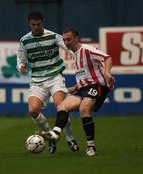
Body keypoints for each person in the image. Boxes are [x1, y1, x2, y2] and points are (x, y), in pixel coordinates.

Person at [41, 28, 115, 156]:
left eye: (68, 39)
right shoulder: (74, 54)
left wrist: (107, 73)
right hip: (83, 89)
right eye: (64, 40)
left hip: (97, 86)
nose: (66, 42)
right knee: (62, 106)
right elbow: (83, 76)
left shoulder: (87, 49)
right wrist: (73, 88)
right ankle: (54, 135)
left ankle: (91, 147)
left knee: (83, 109)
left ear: (76, 38)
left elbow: (108, 58)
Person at [16, 12, 79, 154]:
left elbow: (70, 49)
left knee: (61, 106)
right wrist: (21, 67)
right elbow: (20, 60)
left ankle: (70, 138)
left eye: (39, 24)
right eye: (33, 24)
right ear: (29, 24)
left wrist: (80, 56)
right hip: (37, 80)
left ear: (43, 22)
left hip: (55, 77)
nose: (36, 27)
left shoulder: (53, 36)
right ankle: (51, 135)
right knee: (33, 111)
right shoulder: (24, 41)